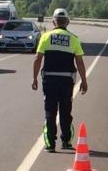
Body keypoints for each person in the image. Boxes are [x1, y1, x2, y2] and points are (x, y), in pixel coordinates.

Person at [32, 8, 88, 152]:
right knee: (65, 110)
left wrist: (34, 78)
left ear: (53, 22)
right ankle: (66, 142)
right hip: (66, 81)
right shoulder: (74, 38)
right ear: (67, 22)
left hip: (49, 79)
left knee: (50, 111)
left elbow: (38, 59)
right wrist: (84, 80)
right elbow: (79, 62)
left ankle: (50, 144)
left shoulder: (46, 37)